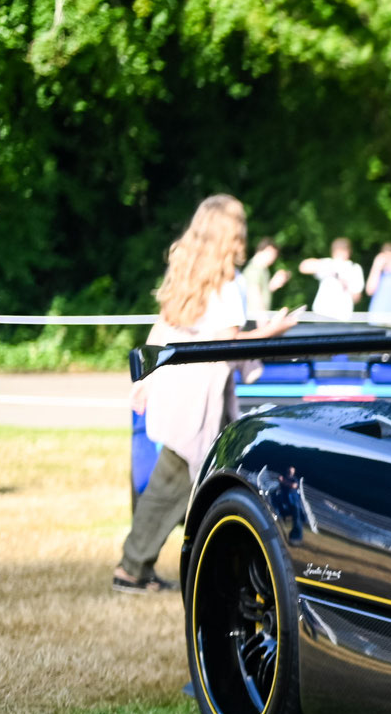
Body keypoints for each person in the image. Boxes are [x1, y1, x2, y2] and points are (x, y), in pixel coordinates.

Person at [114, 195, 300, 592]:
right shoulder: (228, 283)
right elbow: (229, 346)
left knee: (191, 477)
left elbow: (162, 326)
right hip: (202, 398)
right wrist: (274, 332)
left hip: (178, 387)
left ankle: (171, 566)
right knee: (184, 480)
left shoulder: (187, 270)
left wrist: (145, 379)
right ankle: (134, 568)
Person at [299, 238, 364, 320]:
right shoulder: (327, 263)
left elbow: (357, 298)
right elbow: (303, 267)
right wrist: (328, 267)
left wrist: (346, 285)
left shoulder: (354, 268)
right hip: (321, 314)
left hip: (343, 316)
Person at [240, 239, 289, 315]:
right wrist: (262, 318)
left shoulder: (262, 270)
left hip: (256, 317)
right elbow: (254, 296)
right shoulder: (254, 270)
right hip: (254, 318)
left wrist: (273, 285)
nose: (273, 258)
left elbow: (262, 293)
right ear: (262, 250)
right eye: (271, 254)